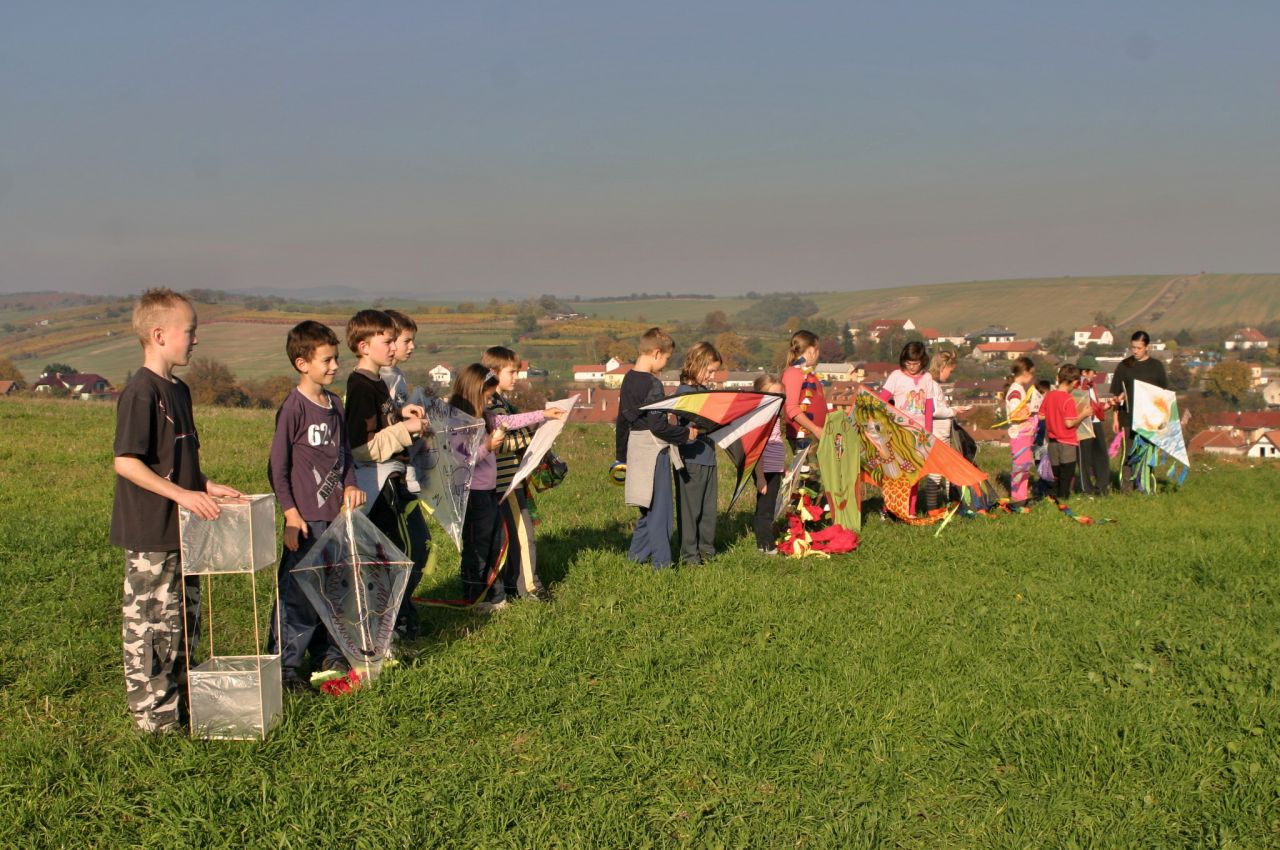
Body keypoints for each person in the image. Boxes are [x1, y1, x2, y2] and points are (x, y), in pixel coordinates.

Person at [111, 288, 244, 733]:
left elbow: (178, 459)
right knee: (152, 628)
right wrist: (182, 496)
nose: (195, 339)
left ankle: (185, 708)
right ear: (159, 334)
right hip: (152, 532)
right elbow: (127, 462)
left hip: (187, 531)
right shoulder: (141, 392)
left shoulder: (179, 390)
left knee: (184, 624)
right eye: (189, 331)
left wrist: (204, 485)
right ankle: (154, 722)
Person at [267, 321, 366, 690]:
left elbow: (345, 455)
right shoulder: (293, 408)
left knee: (333, 589)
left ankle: (329, 655)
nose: (335, 366)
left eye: (336, 358)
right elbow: (277, 468)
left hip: (336, 518)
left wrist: (351, 485)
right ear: (302, 363)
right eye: (326, 360)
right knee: (298, 595)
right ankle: (285, 667)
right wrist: (291, 515)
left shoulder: (335, 404)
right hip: (306, 521)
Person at [449, 364, 564, 610]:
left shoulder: (484, 416)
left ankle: (496, 595)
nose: (489, 401)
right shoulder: (458, 423)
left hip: (490, 492)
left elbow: (510, 420)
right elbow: (462, 461)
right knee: (478, 547)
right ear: (474, 391)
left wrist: (544, 414)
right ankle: (476, 596)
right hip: (474, 495)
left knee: (496, 542)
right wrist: (488, 447)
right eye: (487, 396)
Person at [343, 309, 427, 639]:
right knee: (397, 556)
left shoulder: (377, 382)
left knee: (408, 551)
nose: (395, 348)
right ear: (364, 346)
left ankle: (392, 623)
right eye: (389, 341)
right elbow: (362, 447)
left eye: (395, 341)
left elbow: (382, 424)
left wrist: (401, 414)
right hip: (377, 485)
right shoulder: (361, 387)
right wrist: (407, 429)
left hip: (390, 480)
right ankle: (385, 629)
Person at [616, 327, 698, 570]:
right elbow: (658, 426)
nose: (665, 364)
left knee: (648, 508)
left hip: (635, 449)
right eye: (666, 359)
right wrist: (686, 434)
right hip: (654, 453)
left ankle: (635, 560)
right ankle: (662, 565)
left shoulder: (628, 379)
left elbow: (622, 420)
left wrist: (621, 456)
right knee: (661, 512)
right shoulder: (653, 384)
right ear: (656, 353)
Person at [378, 309, 432, 626]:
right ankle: (394, 617)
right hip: (387, 480)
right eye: (406, 341)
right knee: (407, 550)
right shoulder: (378, 380)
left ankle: (402, 609)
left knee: (419, 546)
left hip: (405, 476)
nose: (412, 347)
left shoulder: (397, 376)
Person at [482, 345, 549, 600]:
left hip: (508, 478)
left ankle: (511, 583)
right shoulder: (492, 405)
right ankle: (530, 587)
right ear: (493, 372)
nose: (516, 377)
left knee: (509, 536)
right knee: (523, 535)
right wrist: (534, 436)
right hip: (505, 482)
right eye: (511, 372)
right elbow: (498, 445)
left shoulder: (501, 402)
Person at [674, 342, 722, 565]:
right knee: (690, 510)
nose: (712, 377)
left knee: (708, 510)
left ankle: (707, 552)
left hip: (708, 457)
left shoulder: (704, 391)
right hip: (690, 459)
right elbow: (694, 422)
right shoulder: (684, 392)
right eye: (709, 371)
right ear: (696, 364)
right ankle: (690, 556)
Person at [1110, 330, 1168, 493]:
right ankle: (1126, 489)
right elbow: (1116, 395)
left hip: (1150, 420)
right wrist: (1115, 418)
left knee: (1146, 454)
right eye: (1133, 347)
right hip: (1128, 418)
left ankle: (1145, 486)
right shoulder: (1124, 366)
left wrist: (1163, 420)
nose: (1135, 351)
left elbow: (1164, 395)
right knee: (1128, 454)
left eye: (1139, 348)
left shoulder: (1156, 366)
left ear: (1147, 347)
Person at [1040, 363, 1090, 501]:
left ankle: (1052, 498)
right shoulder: (1068, 399)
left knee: (1055, 474)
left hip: (1052, 441)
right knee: (1066, 475)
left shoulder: (1049, 395)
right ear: (1073, 382)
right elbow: (1069, 423)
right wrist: (1084, 414)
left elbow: (1041, 416)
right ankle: (1063, 500)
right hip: (1067, 441)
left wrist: (1053, 416)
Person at [752, 374, 787, 553]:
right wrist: (760, 477)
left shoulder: (775, 415)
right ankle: (765, 544)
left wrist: (783, 466)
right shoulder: (761, 416)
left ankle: (767, 537)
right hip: (764, 470)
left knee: (770, 505)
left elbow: (777, 441)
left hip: (775, 467)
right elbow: (756, 449)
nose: (778, 398)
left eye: (780, 395)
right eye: (773, 395)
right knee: (765, 508)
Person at [922, 350, 958, 513]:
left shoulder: (932, 384)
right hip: (938, 436)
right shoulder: (932, 385)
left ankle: (952, 501)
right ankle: (932, 507)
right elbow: (934, 411)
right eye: (950, 371)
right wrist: (953, 411)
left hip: (942, 435)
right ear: (943, 367)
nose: (950, 375)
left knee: (949, 469)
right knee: (936, 473)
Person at [780, 330, 826, 451]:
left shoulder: (808, 373)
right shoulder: (793, 373)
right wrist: (815, 429)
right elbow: (792, 408)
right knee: (809, 465)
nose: (818, 354)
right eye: (817, 350)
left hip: (816, 434)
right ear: (811, 351)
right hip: (804, 436)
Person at [1003, 356, 1039, 508]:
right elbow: (1015, 413)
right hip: (1019, 435)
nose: (1032, 377)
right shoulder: (1015, 391)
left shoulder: (1019, 389)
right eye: (1031, 373)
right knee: (1020, 467)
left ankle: (1021, 496)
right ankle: (1018, 499)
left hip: (1025, 435)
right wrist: (1031, 410)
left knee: (1024, 467)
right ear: (1025, 372)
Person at [1075, 355, 1111, 496]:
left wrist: (1108, 404)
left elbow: (1094, 405)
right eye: (1093, 372)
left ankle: (1102, 487)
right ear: (1084, 372)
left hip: (1095, 422)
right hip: (1083, 424)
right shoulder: (1077, 386)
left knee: (1101, 455)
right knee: (1084, 457)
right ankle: (1087, 489)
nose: (1096, 374)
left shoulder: (1092, 385)